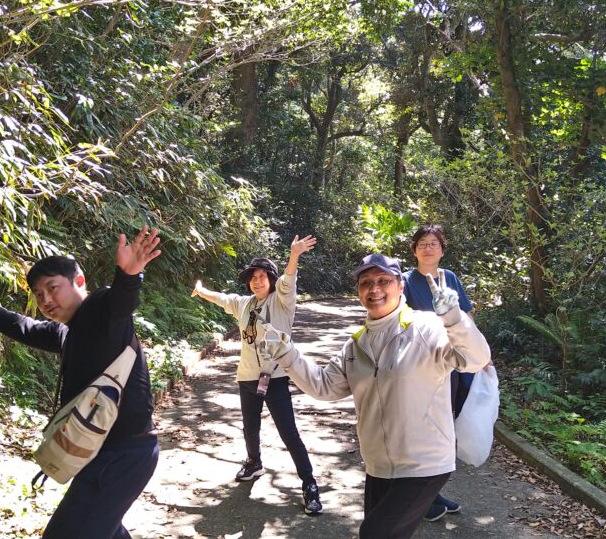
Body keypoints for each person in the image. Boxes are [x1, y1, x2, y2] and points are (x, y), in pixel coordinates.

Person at [258, 253, 491, 539]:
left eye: (383, 281)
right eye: (366, 282)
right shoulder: (356, 344)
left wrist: (454, 319)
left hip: (424, 463)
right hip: (378, 465)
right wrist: (286, 353)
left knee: (373, 533)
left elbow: (476, 359)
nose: (374, 289)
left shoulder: (428, 327)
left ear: (400, 286)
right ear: (358, 291)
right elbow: (323, 386)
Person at [0, 226, 162, 539]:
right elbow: (23, 327)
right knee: (104, 529)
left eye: (53, 288)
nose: (46, 300)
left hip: (123, 455)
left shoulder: (99, 310)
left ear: (80, 282)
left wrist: (129, 275)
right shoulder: (66, 332)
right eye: (39, 295)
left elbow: (120, 301)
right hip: (103, 453)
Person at [190, 235, 323, 516]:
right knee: (250, 427)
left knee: (288, 433)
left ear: (271, 280)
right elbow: (223, 299)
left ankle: (309, 483)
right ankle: (254, 463)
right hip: (247, 377)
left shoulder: (282, 301)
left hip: (275, 378)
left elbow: (288, 280)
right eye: (253, 277)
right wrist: (201, 291)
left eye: (262, 277)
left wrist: (294, 255)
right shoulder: (245, 304)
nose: (257, 281)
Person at [402, 224, 474, 522]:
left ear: (442, 250)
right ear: (414, 249)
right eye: (422, 243)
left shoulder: (450, 278)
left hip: (452, 363)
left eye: (434, 243)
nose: (428, 248)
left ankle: (430, 492)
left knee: (444, 429)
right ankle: (417, 499)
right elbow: (399, 321)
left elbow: (466, 315)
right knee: (423, 430)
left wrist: (479, 352)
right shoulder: (404, 281)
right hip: (421, 366)